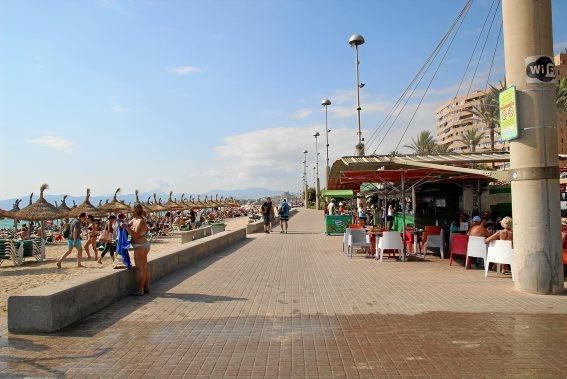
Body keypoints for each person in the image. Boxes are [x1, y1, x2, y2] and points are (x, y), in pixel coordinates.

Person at [121, 204, 150, 296]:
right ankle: (146, 287)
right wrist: (124, 224)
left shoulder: (141, 221)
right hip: (141, 245)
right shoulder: (133, 220)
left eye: (131, 210)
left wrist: (126, 227)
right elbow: (127, 226)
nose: (129, 212)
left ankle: (141, 290)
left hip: (140, 246)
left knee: (140, 268)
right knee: (144, 268)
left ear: (135, 211)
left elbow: (136, 235)